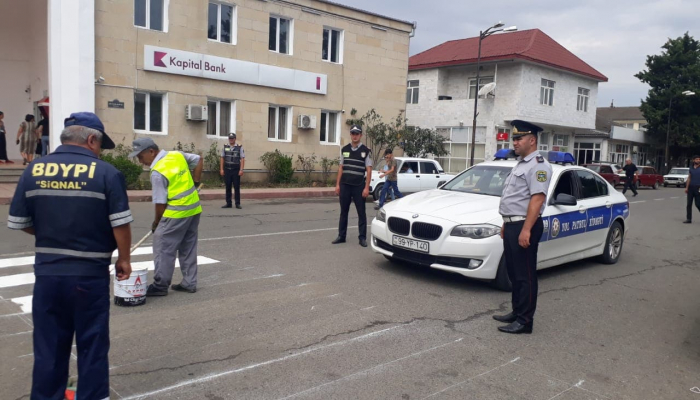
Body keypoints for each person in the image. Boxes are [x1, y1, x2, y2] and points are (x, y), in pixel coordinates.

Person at [8, 112, 133, 399]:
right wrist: (123, 259)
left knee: (49, 345)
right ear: (91, 139)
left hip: (49, 275)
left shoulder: (33, 169)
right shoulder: (106, 173)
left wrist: (54, 233)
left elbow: (20, 223)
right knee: (92, 343)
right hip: (89, 276)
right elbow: (120, 224)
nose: (100, 151)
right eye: (100, 144)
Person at [493, 120, 552, 335]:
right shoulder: (522, 164)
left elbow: (537, 199)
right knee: (514, 272)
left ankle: (525, 321)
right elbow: (515, 198)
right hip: (513, 224)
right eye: (514, 138)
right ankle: (517, 311)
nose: (514, 142)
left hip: (524, 225)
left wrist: (526, 229)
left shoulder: (538, 165)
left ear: (532, 140)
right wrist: (505, 223)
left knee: (525, 275)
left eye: (518, 138)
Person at [130, 137, 203, 296]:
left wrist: (157, 223)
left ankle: (160, 286)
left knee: (163, 246)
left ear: (151, 151)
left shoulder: (157, 172)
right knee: (188, 246)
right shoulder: (176, 155)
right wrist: (196, 181)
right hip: (193, 209)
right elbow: (198, 160)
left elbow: (160, 204)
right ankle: (189, 282)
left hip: (176, 212)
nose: (140, 161)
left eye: (140, 157)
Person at [332, 124, 372, 247]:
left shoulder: (365, 151)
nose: (355, 136)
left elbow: (369, 170)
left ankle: (362, 237)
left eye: (357, 134)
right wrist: (337, 185)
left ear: (361, 135)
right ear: (350, 135)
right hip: (345, 185)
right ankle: (341, 236)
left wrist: (366, 187)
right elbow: (340, 168)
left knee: (361, 213)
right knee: (344, 211)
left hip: (359, 186)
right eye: (353, 133)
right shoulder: (344, 150)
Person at [220, 132, 245, 209]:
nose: (231, 140)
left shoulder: (239, 147)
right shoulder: (225, 147)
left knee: (236, 187)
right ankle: (228, 203)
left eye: (232, 138)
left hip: (236, 170)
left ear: (235, 139)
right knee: (228, 186)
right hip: (227, 169)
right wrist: (221, 169)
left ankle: (237, 203)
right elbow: (222, 158)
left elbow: (242, 158)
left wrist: (241, 169)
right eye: (230, 138)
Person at [683, 155, 700, 224]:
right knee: (689, 204)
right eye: (697, 159)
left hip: (698, 187)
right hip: (691, 188)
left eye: (699, 159)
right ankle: (688, 219)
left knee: (698, 204)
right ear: (693, 160)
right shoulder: (691, 168)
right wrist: (687, 187)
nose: (698, 160)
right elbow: (689, 178)